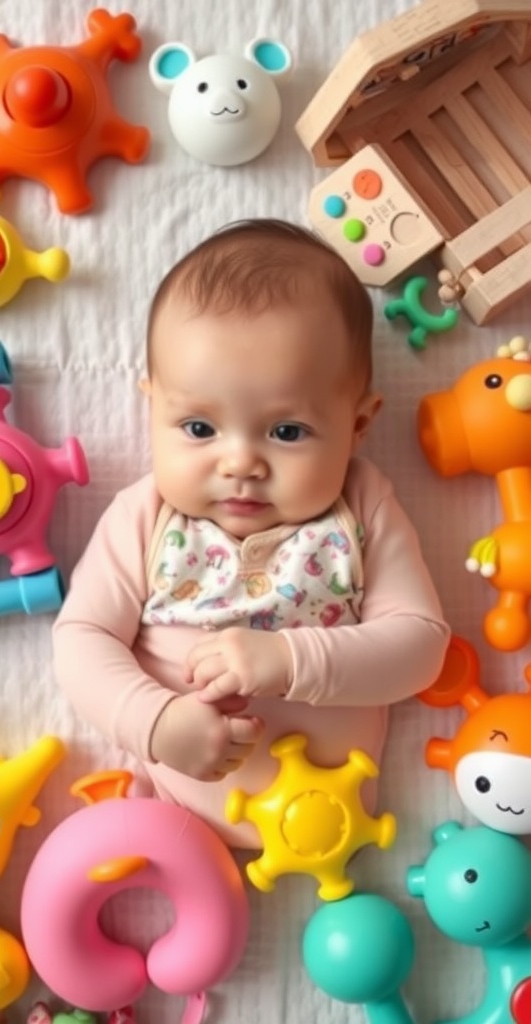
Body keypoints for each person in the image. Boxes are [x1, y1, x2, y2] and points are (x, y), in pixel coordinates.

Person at [53, 219, 449, 847]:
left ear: (359, 423)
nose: (240, 463)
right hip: (179, 807)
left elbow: (422, 648)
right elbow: (81, 639)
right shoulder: (147, 514)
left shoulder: (360, 503)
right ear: (152, 406)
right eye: (199, 429)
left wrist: (289, 660)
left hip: (335, 814)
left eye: (287, 432)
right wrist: (152, 721)